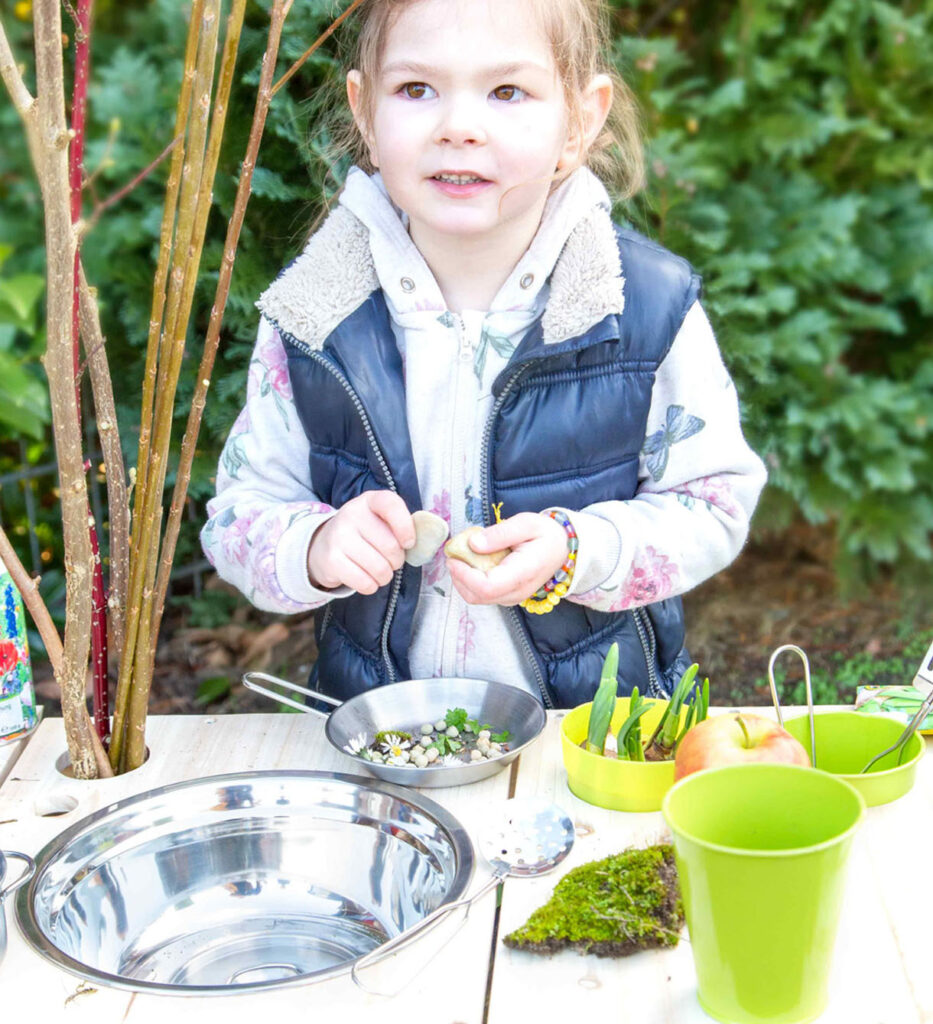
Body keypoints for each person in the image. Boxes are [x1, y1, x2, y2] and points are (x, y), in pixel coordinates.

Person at [201, 0, 767, 709]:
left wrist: (578, 550)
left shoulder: (644, 310)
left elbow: (713, 504)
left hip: (591, 737)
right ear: (365, 112)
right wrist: (314, 546)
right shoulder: (314, 315)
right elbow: (240, 514)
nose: (458, 127)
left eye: (506, 91)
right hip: (383, 736)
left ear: (579, 122)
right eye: (416, 89)